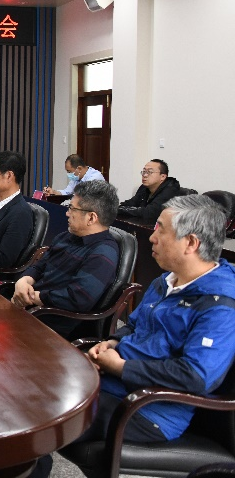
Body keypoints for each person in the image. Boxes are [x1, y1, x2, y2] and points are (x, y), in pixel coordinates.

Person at [46, 195, 235, 478]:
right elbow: (134, 325)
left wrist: (121, 367)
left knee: (47, 416)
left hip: (149, 409)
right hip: (114, 385)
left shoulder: (219, 305)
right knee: (41, 387)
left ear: (191, 243)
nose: (152, 237)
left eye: (161, 230)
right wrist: (113, 342)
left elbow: (196, 376)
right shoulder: (165, 281)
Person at [11, 180, 120, 337]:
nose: (67, 213)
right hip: (31, 310)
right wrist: (24, 281)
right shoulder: (66, 237)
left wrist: (32, 297)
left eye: (72, 208)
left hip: (52, 325)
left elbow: (78, 298)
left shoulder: (103, 253)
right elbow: (40, 266)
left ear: (91, 218)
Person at [117, 158, 182, 225]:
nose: (145, 175)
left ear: (162, 176)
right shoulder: (144, 187)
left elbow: (150, 213)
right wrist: (122, 209)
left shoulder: (170, 189)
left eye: (150, 172)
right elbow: (128, 204)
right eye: (144, 171)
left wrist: (123, 209)